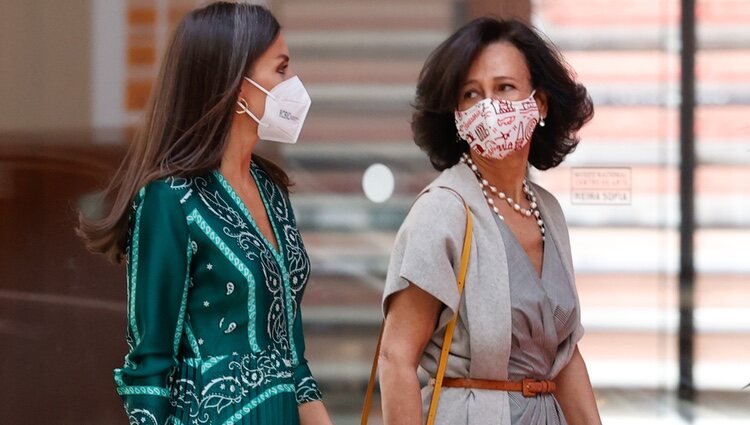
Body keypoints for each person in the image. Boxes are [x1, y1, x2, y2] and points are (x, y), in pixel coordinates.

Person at [77, 3, 332, 424]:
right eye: (281, 69)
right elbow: (150, 367)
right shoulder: (169, 199)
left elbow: (293, 361)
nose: (293, 84)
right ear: (236, 86)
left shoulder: (270, 189)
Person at [377, 17, 600, 425]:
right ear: (457, 116)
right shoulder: (442, 211)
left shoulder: (547, 210)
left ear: (541, 104)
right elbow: (395, 358)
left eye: (504, 88)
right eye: (471, 94)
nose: (489, 107)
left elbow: (565, 359)